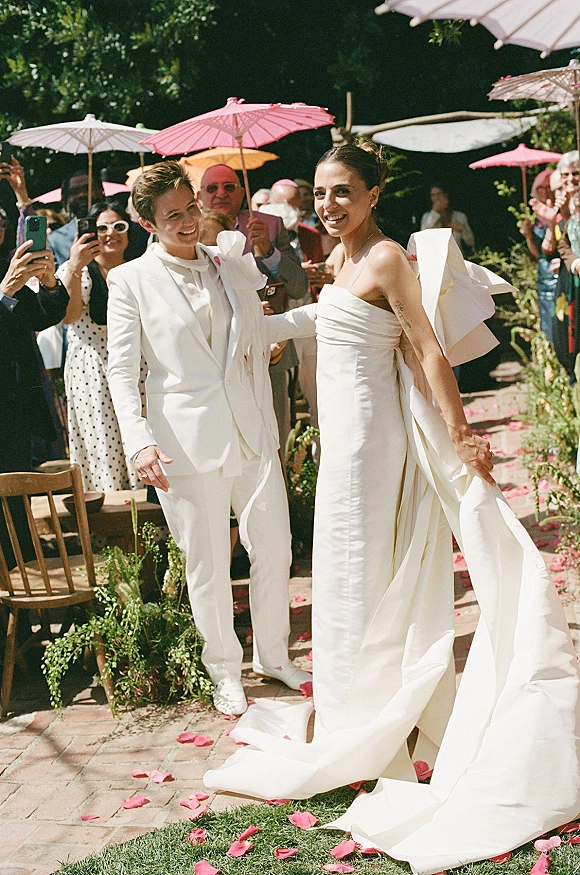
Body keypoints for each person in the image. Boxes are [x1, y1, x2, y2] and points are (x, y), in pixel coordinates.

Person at [205, 144, 580, 871]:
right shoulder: (340, 261)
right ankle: (357, 722)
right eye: (319, 192)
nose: (328, 204)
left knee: (363, 572)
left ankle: (379, 728)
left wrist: (463, 432)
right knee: (346, 586)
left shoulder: (383, 259)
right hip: (339, 440)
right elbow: (336, 323)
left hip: (372, 447)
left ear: (374, 193)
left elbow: (429, 350)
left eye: (343, 192)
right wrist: (284, 329)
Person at [106, 161, 312, 715]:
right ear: (149, 223)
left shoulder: (227, 260)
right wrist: (138, 442)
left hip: (251, 428)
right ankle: (224, 668)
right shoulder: (129, 282)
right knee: (208, 564)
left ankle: (275, 655)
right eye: (171, 215)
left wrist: (307, 321)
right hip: (183, 442)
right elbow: (122, 373)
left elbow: (253, 333)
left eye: (189, 208)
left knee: (273, 548)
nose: (186, 221)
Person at [197, 164, 308, 449]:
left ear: (242, 192)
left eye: (229, 186)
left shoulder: (268, 225)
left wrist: (269, 252)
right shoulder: (188, 231)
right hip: (214, 359)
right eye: (212, 188)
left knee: (274, 442)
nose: (220, 193)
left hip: (269, 353)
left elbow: (299, 287)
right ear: (200, 196)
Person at [57, 202, 142, 492]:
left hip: (134, 364)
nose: (110, 233)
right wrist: (76, 265)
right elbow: (68, 316)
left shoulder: (139, 271)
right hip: (91, 368)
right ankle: (109, 517)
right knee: (103, 442)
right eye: (101, 228)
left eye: (118, 226)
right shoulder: (76, 270)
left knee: (137, 436)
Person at [0, 238, 68, 568]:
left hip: (16, 412)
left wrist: (50, 282)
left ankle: (27, 605)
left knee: (17, 505)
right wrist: (3, 296)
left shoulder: (5, 268)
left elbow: (42, 316)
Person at [519, 168, 558, 341]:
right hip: (544, 272)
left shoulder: (561, 212)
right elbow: (538, 254)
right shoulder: (534, 219)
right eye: (541, 187)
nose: (545, 191)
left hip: (560, 269)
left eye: (549, 186)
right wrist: (528, 237)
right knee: (549, 322)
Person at [48, 170, 105, 267]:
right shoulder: (55, 240)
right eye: (74, 192)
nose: (82, 195)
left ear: (101, 192)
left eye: (88, 189)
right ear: (65, 199)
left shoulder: (125, 230)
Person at [421, 182, 475, 254]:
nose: (437, 198)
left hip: (456, 258)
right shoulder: (427, 216)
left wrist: (462, 230)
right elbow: (424, 236)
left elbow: (471, 242)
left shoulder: (459, 216)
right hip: (436, 257)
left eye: (439, 194)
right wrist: (435, 211)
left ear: (445, 195)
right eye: (433, 195)